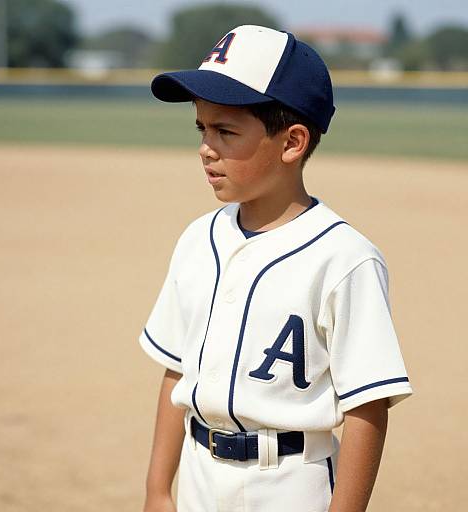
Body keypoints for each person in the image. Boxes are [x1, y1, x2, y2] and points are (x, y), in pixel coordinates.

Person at [139, 25, 413, 512]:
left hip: (292, 482)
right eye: (201, 128)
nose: (206, 147)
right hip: (202, 474)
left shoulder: (344, 257)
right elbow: (175, 371)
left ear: (292, 143)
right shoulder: (199, 238)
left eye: (226, 131)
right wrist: (159, 489)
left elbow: (367, 406)